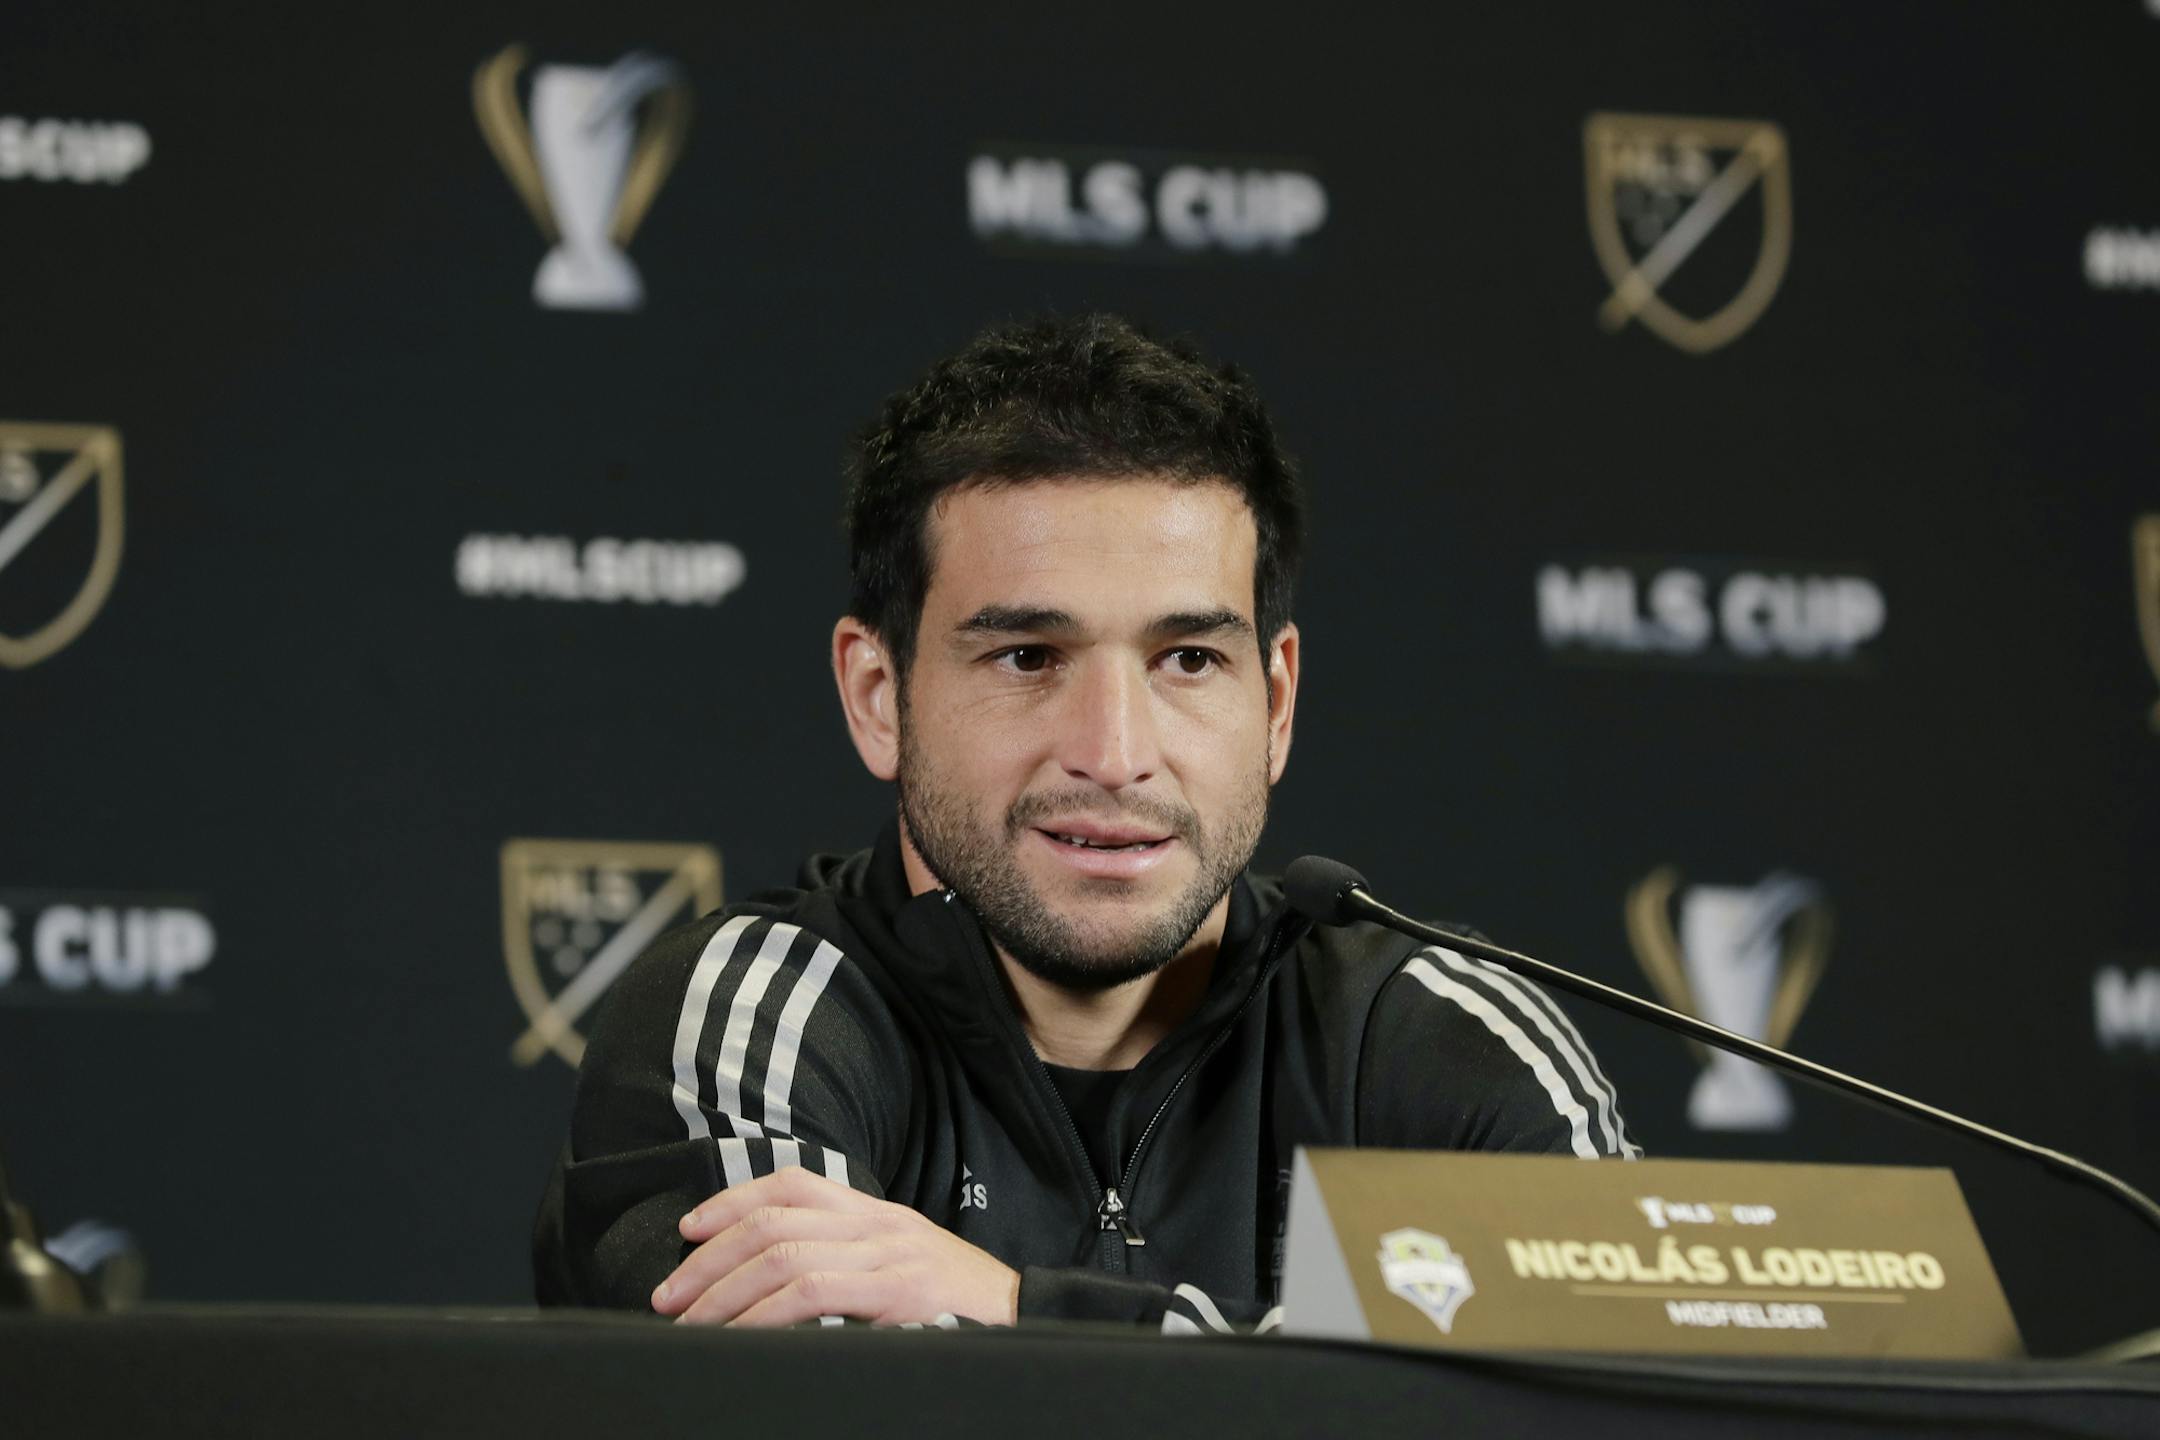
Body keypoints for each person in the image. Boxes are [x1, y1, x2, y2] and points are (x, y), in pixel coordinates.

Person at [532, 313, 1636, 1333]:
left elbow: (1632, 1386)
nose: (1113, 754)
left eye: (1189, 660)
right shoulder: (752, 1018)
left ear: (1277, 703)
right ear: (879, 696)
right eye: (1027, 658)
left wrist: (1013, 1309)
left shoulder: (1436, 1033)